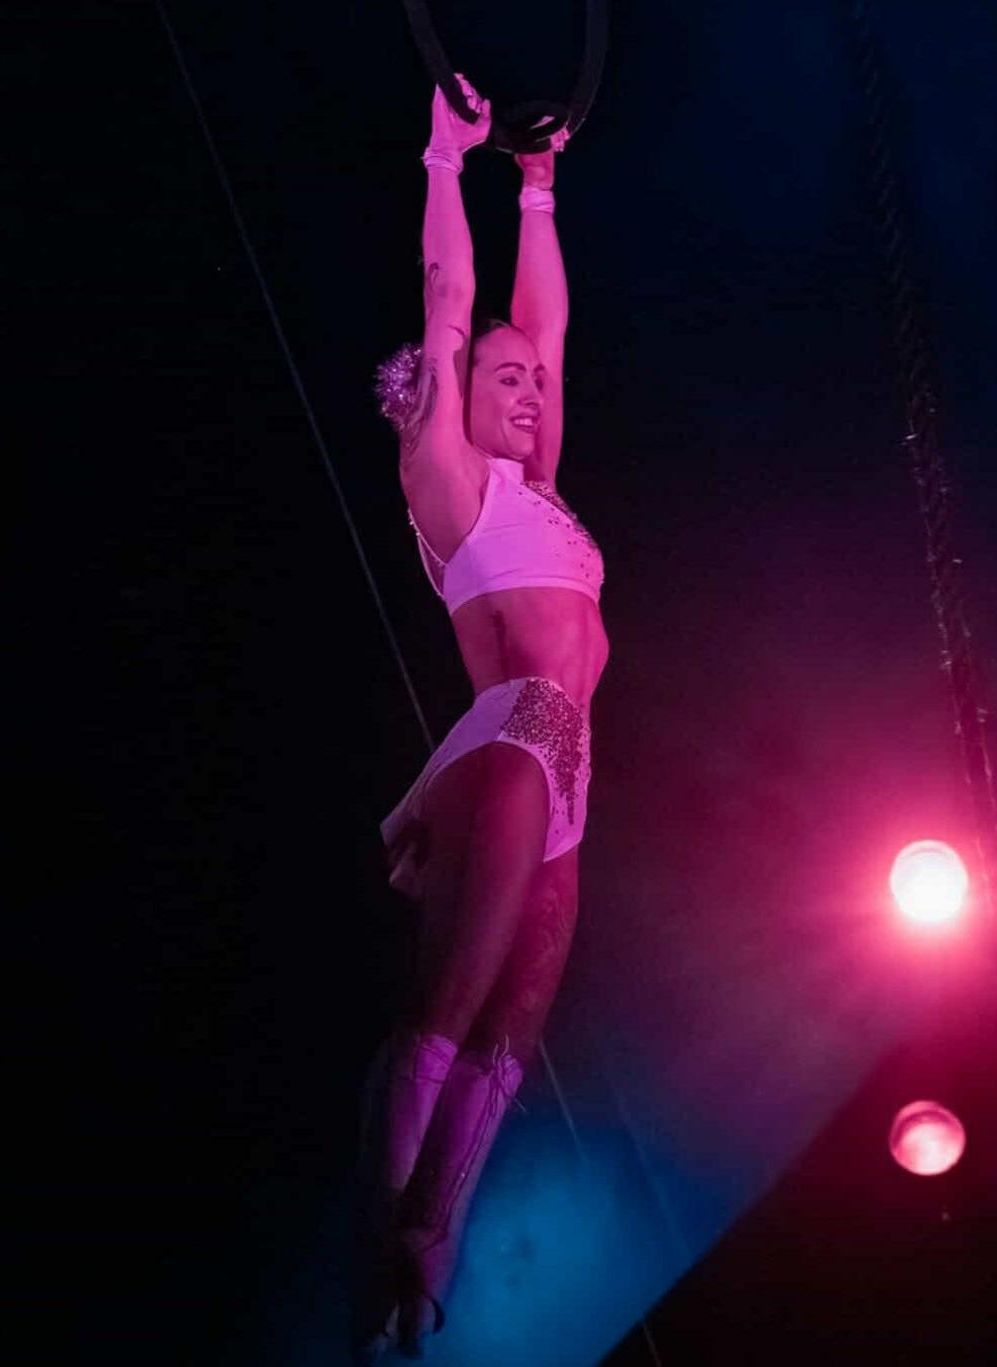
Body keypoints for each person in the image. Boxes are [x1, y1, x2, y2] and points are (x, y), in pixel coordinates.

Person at [353, 74, 608, 1361]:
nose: (525, 387)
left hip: (570, 771)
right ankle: (375, 1233)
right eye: (498, 379)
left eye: (529, 383)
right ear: (455, 399)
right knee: (451, 1003)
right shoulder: (452, 486)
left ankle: (424, 1248)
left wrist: (540, 184)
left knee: (514, 1030)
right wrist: (448, 162)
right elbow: (453, 311)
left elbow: (542, 331)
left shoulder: (541, 484)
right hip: (509, 740)